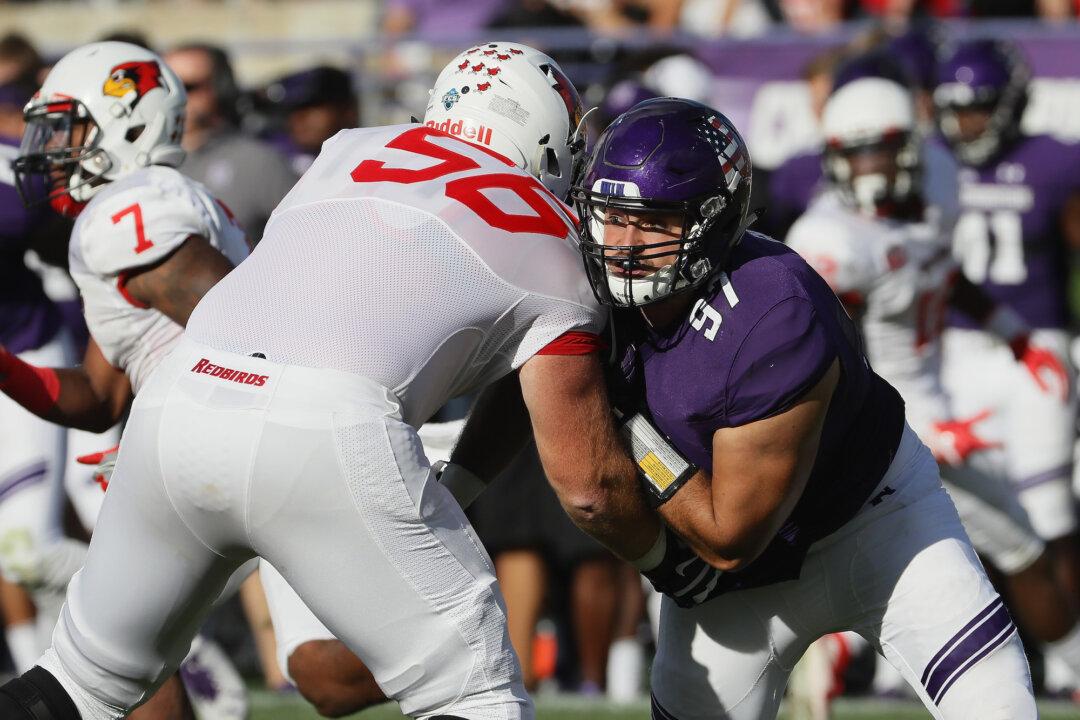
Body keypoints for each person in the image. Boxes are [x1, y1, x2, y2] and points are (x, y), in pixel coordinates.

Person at [0, 41, 670, 720]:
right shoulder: (557, 243)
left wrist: (457, 479)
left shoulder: (348, 151)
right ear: (550, 136)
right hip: (326, 427)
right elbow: (587, 489)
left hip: (180, 397)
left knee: (75, 687)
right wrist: (670, 558)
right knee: (476, 693)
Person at [568, 97, 1037, 719]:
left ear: (712, 221)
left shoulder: (772, 309)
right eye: (612, 216)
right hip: (736, 591)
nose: (624, 246)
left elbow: (729, 536)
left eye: (654, 222)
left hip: (877, 525)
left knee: (999, 708)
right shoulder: (581, 286)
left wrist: (622, 426)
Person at [787, 77, 1080, 710]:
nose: (869, 168)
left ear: (912, 149)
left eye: (883, 150)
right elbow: (820, 356)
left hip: (928, 403)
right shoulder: (830, 238)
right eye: (855, 152)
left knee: (926, 544)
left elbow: (939, 266)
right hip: (880, 415)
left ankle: (841, 648)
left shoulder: (939, 181)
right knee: (1011, 540)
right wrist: (928, 430)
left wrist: (1015, 335)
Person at [2, 41, 253, 719]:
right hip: (225, 446)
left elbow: (244, 326)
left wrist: (184, 420)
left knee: (325, 673)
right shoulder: (127, 208)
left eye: (66, 129)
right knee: (118, 656)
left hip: (245, 453)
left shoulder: (130, 210)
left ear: (130, 125)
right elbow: (100, 397)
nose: (48, 149)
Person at [934, 40, 1080, 643]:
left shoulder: (1055, 161)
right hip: (954, 352)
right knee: (967, 514)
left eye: (981, 106)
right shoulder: (930, 160)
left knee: (1049, 512)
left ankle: (1070, 659)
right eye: (958, 108)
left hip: (1035, 353)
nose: (967, 122)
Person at [164, 43, 297, 243]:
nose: (175, 97)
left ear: (221, 88)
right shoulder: (139, 165)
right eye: (165, 87)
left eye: (188, 87)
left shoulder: (259, 162)